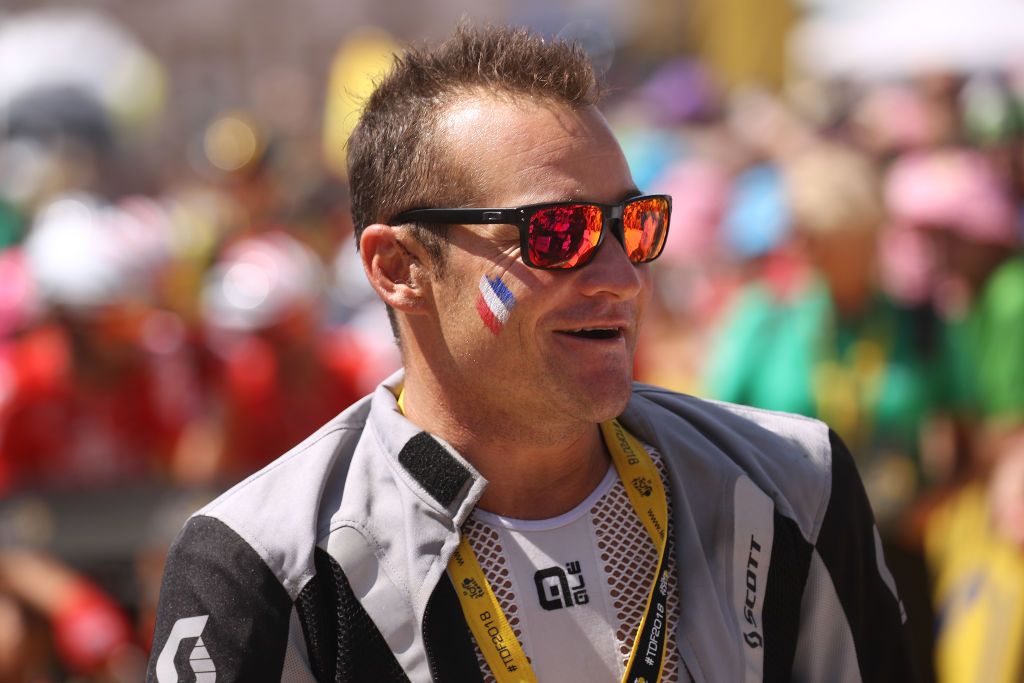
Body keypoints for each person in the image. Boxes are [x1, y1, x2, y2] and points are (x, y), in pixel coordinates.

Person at [147, 24, 914, 682]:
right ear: (398, 268)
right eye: (558, 234)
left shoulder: (793, 484)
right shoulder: (259, 560)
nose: (621, 278)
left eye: (634, 225)